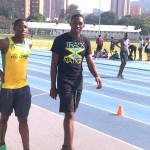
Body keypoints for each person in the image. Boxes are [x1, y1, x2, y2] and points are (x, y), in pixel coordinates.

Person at [50, 13, 102, 150]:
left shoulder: (85, 41)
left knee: (71, 115)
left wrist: (97, 76)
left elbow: (90, 61)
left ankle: (65, 146)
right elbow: (54, 64)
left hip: (78, 82)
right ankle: (70, 147)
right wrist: (53, 86)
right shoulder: (60, 40)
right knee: (69, 114)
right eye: (75, 22)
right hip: (64, 82)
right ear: (70, 23)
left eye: (80, 23)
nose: (77, 25)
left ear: (83, 25)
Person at [0, 18, 32, 150]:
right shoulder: (5, 42)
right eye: (20, 27)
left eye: (25, 27)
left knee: (23, 120)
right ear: (14, 29)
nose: (23, 29)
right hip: (7, 88)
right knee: (4, 119)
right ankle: (2, 143)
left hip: (23, 88)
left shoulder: (29, 44)